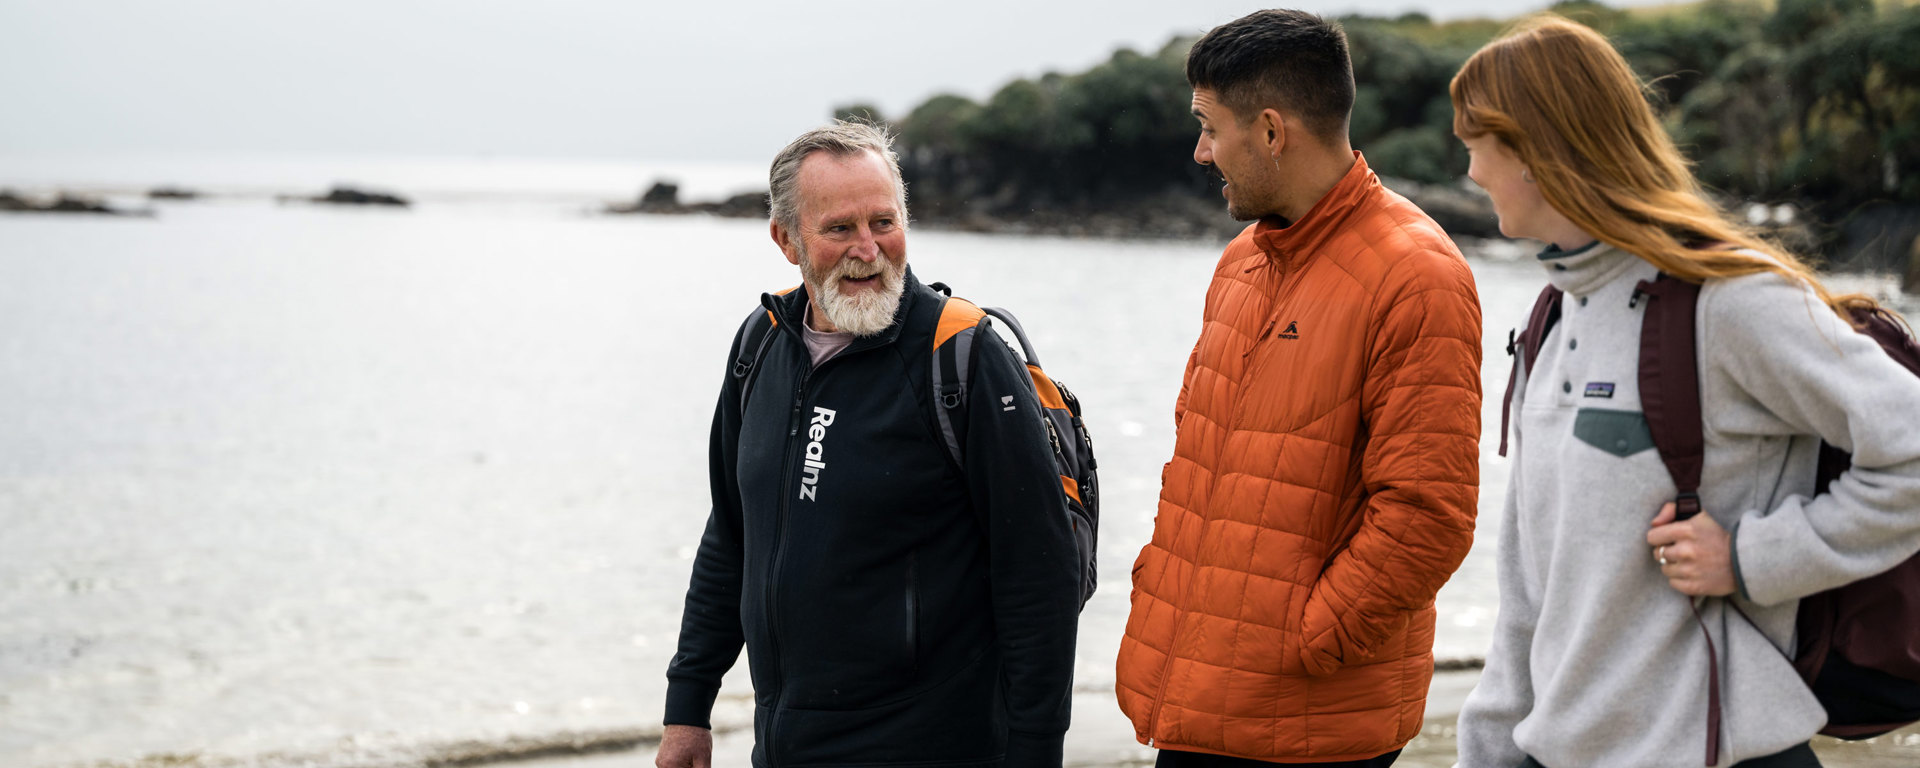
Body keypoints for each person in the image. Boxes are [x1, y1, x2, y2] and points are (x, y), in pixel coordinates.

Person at [1451, 15, 1920, 768]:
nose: (1469, 173)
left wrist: (1751, 558)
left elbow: (1913, 450)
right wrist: (1485, 754)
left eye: (1476, 146)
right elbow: (1528, 596)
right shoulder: (1551, 314)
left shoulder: (1728, 301)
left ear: (1537, 151)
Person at [1115, 10, 1483, 767]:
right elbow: (1203, 464)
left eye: (1211, 129)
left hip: (1310, 721)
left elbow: (1428, 516)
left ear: (1273, 132)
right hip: (1207, 697)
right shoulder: (1242, 262)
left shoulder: (1417, 276)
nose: (1201, 151)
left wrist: (1305, 640)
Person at [656, 122, 1082, 768]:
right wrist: (687, 708)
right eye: (839, 229)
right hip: (785, 746)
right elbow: (732, 535)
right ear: (785, 239)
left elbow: (1038, 578)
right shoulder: (759, 345)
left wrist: (1035, 752)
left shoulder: (961, 355)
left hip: (934, 745)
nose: (868, 249)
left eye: (884, 222)